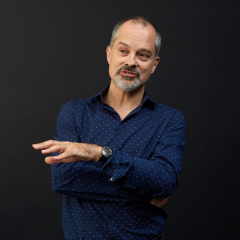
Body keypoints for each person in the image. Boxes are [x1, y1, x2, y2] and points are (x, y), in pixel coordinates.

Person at [33, 16, 186, 240]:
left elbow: (164, 182)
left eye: (143, 55)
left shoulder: (170, 120)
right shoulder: (74, 112)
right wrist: (143, 192)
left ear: (154, 64)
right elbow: (63, 179)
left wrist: (98, 154)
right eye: (123, 51)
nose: (131, 62)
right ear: (109, 54)